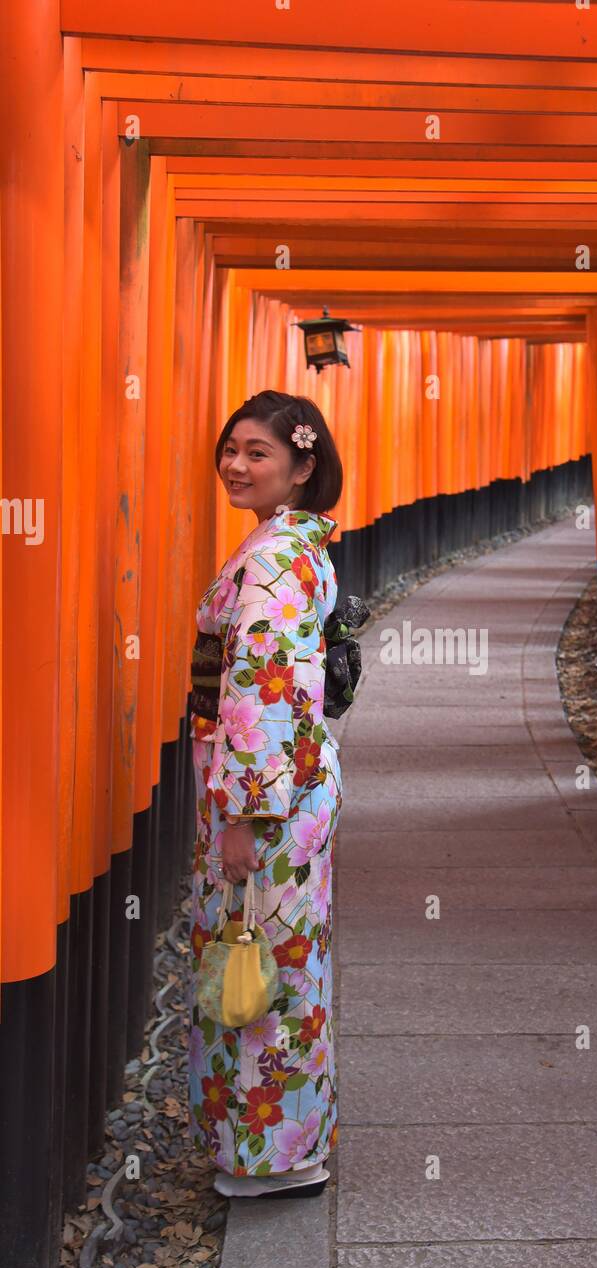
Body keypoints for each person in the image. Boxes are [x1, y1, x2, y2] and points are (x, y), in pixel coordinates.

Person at [186, 391, 344, 1199]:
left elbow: (260, 693)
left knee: (260, 970)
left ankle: (268, 1157)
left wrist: (245, 814)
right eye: (232, 449)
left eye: (259, 453)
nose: (237, 465)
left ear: (302, 466)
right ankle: (285, 1144)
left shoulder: (276, 559)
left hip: (269, 800)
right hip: (295, 791)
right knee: (284, 964)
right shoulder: (293, 545)